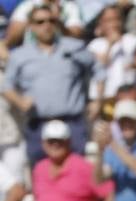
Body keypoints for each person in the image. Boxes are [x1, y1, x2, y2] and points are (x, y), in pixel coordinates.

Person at [2, 4, 92, 161]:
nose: (47, 25)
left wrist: (96, 100)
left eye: (51, 20)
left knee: (76, 176)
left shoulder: (74, 48)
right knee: (42, 178)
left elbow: (98, 69)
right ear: (31, 26)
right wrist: (20, 101)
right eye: (40, 22)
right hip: (38, 125)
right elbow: (6, 85)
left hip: (72, 123)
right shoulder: (20, 55)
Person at [11, 119, 112, 201]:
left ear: (68, 142)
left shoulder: (83, 166)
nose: (55, 145)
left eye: (60, 140)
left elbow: (109, 194)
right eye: (51, 141)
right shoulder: (39, 168)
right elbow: (37, 198)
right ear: (43, 143)